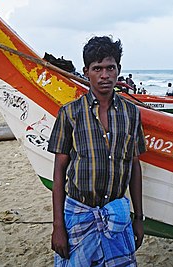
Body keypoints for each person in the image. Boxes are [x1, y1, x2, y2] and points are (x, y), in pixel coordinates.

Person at [48, 36, 147, 267]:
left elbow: (134, 166)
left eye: (110, 68)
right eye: (97, 68)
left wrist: (139, 218)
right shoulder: (70, 114)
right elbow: (59, 172)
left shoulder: (131, 114)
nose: (105, 75)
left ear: (118, 70)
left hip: (117, 214)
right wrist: (58, 226)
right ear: (86, 71)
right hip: (78, 215)